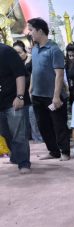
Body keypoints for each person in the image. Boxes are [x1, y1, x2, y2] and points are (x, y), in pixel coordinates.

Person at [27, 17, 70, 161]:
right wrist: (31, 89)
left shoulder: (54, 49)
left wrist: (56, 96)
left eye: (31, 30)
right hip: (37, 95)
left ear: (40, 31)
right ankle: (53, 151)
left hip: (53, 96)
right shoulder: (34, 49)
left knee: (59, 125)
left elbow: (59, 74)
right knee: (43, 125)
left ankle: (65, 152)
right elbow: (34, 71)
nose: (29, 33)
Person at [0, 43, 31, 173]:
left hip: (13, 100)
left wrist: (20, 96)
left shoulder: (6, 51)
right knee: (5, 133)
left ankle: (24, 163)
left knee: (19, 133)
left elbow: (20, 74)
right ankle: (16, 156)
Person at [13, 39, 43, 143]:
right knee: (26, 122)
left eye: (19, 52)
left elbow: (34, 77)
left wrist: (30, 90)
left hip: (33, 95)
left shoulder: (32, 61)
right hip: (23, 97)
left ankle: (39, 141)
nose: (17, 55)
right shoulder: (15, 64)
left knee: (34, 121)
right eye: (15, 53)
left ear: (25, 51)